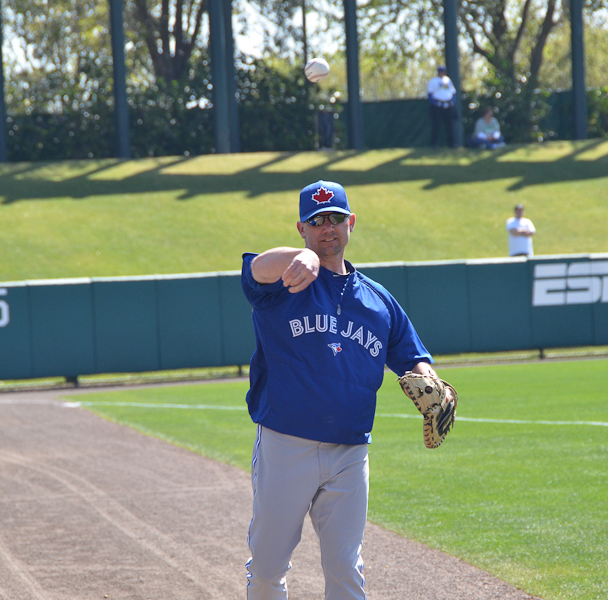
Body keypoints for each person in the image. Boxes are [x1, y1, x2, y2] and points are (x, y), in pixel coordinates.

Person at [241, 180, 450, 599]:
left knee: (345, 570)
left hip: (350, 453)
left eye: (335, 218)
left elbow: (412, 357)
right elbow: (254, 269)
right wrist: (296, 257)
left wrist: (433, 384)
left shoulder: (378, 301)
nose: (327, 228)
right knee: (266, 570)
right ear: (301, 228)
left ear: (351, 223)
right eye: (316, 221)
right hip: (287, 445)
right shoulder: (285, 280)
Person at [427, 65, 457, 148]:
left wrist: (452, 102)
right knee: (436, 125)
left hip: (448, 105)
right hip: (438, 105)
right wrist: (436, 103)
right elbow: (430, 94)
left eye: (444, 71)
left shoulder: (447, 80)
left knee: (449, 125)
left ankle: (452, 144)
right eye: (441, 71)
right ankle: (434, 144)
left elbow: (453, 92)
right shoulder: (433, 81)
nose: (443, 73)